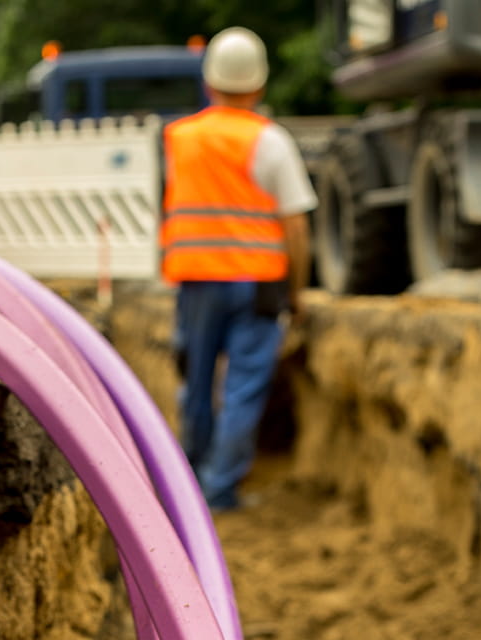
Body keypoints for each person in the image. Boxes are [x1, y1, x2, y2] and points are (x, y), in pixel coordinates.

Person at [160, 26, 316, 511]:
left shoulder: (180, 139)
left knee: (197, 384)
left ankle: (189, 485)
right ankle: (219, 490)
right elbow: (296, 226)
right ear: (260, 85)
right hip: (259, 283)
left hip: (197, 279)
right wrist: (299, 292)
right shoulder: (271, 141)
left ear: (209, 83)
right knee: (244, 387)